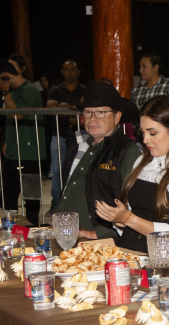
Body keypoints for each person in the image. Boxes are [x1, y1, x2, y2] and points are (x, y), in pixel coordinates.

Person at [94, 96, 169, 252]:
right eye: (142, 132)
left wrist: (128, 219)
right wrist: (119, 220)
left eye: (152, 133)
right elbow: (132, 215)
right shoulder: (142, 161)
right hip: (127, 249)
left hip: (161, 256)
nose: (145, 139)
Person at [51, 81, 141, 239]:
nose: (92, 118)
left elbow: (137, 204)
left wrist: (99, 233)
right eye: (87, 112)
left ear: (117, 117)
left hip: (99, 241)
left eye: (100, 112)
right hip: (64, 234)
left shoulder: (128, 151)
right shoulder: (76, 147)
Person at [0, 59, 46, 226]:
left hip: (29, 152)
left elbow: (17, 114)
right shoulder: (15, 91)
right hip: (13, 151)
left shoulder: (29, 90)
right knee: (7, 197)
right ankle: (8, 228)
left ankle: (33, 228)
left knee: (31, 198)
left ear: (5, 76)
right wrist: (7, 141)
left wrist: (5, 92)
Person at [46, 60, 87, 212]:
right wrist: (75, 107)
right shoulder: (55, 90)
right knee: (57, 171)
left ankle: (75, 204)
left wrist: (63, 106)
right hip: (59, 135)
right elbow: (50, 110)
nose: (70, 72)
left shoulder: (84, 89)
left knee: (80, 169)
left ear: (78, 71)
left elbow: (86, 108)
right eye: (66, 69)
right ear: (62, 72)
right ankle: (56, 204)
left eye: (73, 69)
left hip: (82, 135)